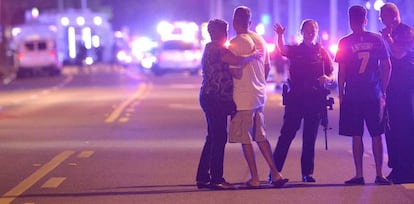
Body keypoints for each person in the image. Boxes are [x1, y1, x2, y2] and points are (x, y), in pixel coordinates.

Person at [227, 6, 288, 188]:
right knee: (261, 136)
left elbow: (235, 73)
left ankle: (254, 178)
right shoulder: (260, 40)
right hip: (259, 95)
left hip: (242, 97)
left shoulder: (235, 42)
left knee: (245, 138)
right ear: (250, 22)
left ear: (234, 22)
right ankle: (275, 173)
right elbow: (267, 68)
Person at [196, 19, 259, 190]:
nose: (226, 33)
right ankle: (217, 178)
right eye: (224, 30)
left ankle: (202, 176)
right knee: (219, 137)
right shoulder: (218, 49)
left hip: (209, 97)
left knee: (212, 137)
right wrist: (252, 56)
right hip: (215, 98)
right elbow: (236, 60)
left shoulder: (209, 47)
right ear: (217, 32)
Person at [271, 19, 334, 183]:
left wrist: (326, 78)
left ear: (317, 31)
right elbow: (282, 50)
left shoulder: (322, 52)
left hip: (314, 99)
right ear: (301, 32)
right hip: (296, 99)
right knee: (287, 134)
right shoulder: (295, 50)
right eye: (307, 29)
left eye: (313, 29)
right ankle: (274, 171)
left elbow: (331, 73)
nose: (310, 32)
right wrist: (279, 36)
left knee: (309, 137)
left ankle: (307, 173)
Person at [335, 5, 392, 185]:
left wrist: (341, 92)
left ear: (351, 21)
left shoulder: (344, 42)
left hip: (353, 94)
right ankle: (379, 174)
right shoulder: (377, 40)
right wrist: (382, 89)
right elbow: (387, 66)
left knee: (356, 134)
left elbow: (341, 70)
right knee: (377, 134)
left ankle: (359, 174)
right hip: (373, 93)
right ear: (365, 20)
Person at [379, 3, 414, 184]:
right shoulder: (388, 34)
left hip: (405, 87)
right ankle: (396, 166)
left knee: (405, 129)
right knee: (391, 130)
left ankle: (408, 169)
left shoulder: (406, 32)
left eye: (382, 17)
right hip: (391, 87)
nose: (381, 21)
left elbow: (399, 54)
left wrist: (389, 39)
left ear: (393, 16)